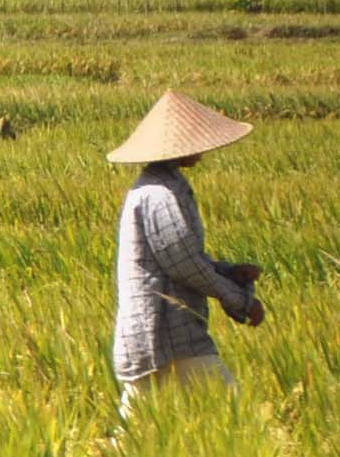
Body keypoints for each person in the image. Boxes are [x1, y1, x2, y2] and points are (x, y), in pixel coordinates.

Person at [107, 90, 266, 416]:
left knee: (139, 425)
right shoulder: (159, 195)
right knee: (233, 412)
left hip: (167, 333)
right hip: (164, 331)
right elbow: (183, 263)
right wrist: (239, 299)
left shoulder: (164, 186)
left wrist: (226, 271)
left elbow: (179, 256)